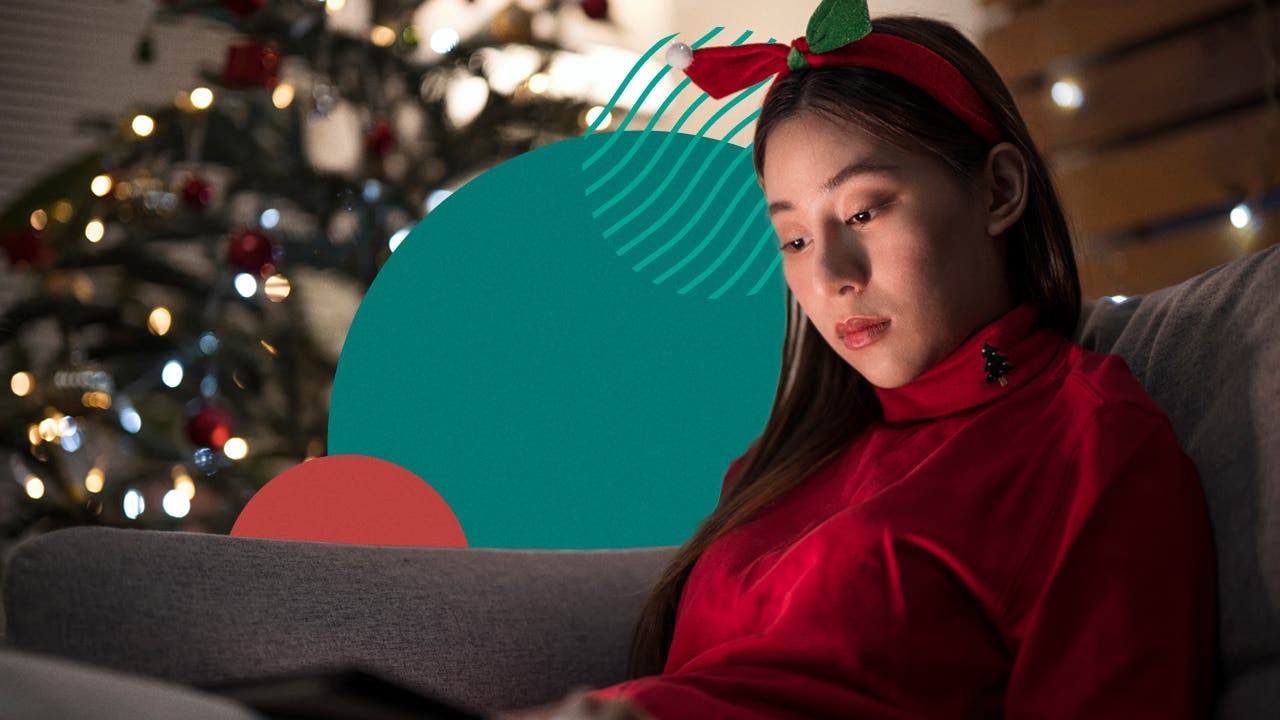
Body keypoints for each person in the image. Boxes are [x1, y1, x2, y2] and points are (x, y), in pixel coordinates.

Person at [495, 1, 1218, 718]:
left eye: (864, 212)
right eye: (795, 240)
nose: (832, 275)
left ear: (998, 190)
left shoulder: (1088, 443)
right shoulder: (778, 463)